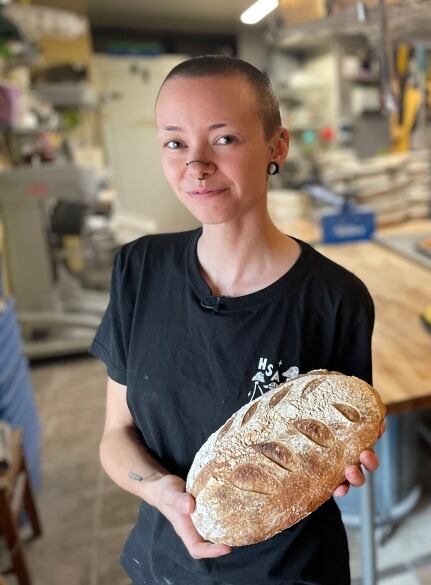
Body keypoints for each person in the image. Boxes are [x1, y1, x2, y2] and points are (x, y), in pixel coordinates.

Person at [93, 55, 382, 585]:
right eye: (175, 142)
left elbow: (344, 434)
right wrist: (161, 491)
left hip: (292, 571)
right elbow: (116, 435)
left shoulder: (336, 298)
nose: (196, 165)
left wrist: (343, 467)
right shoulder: (138, 270)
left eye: (223, 139)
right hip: (165, 566)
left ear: (278, 147)